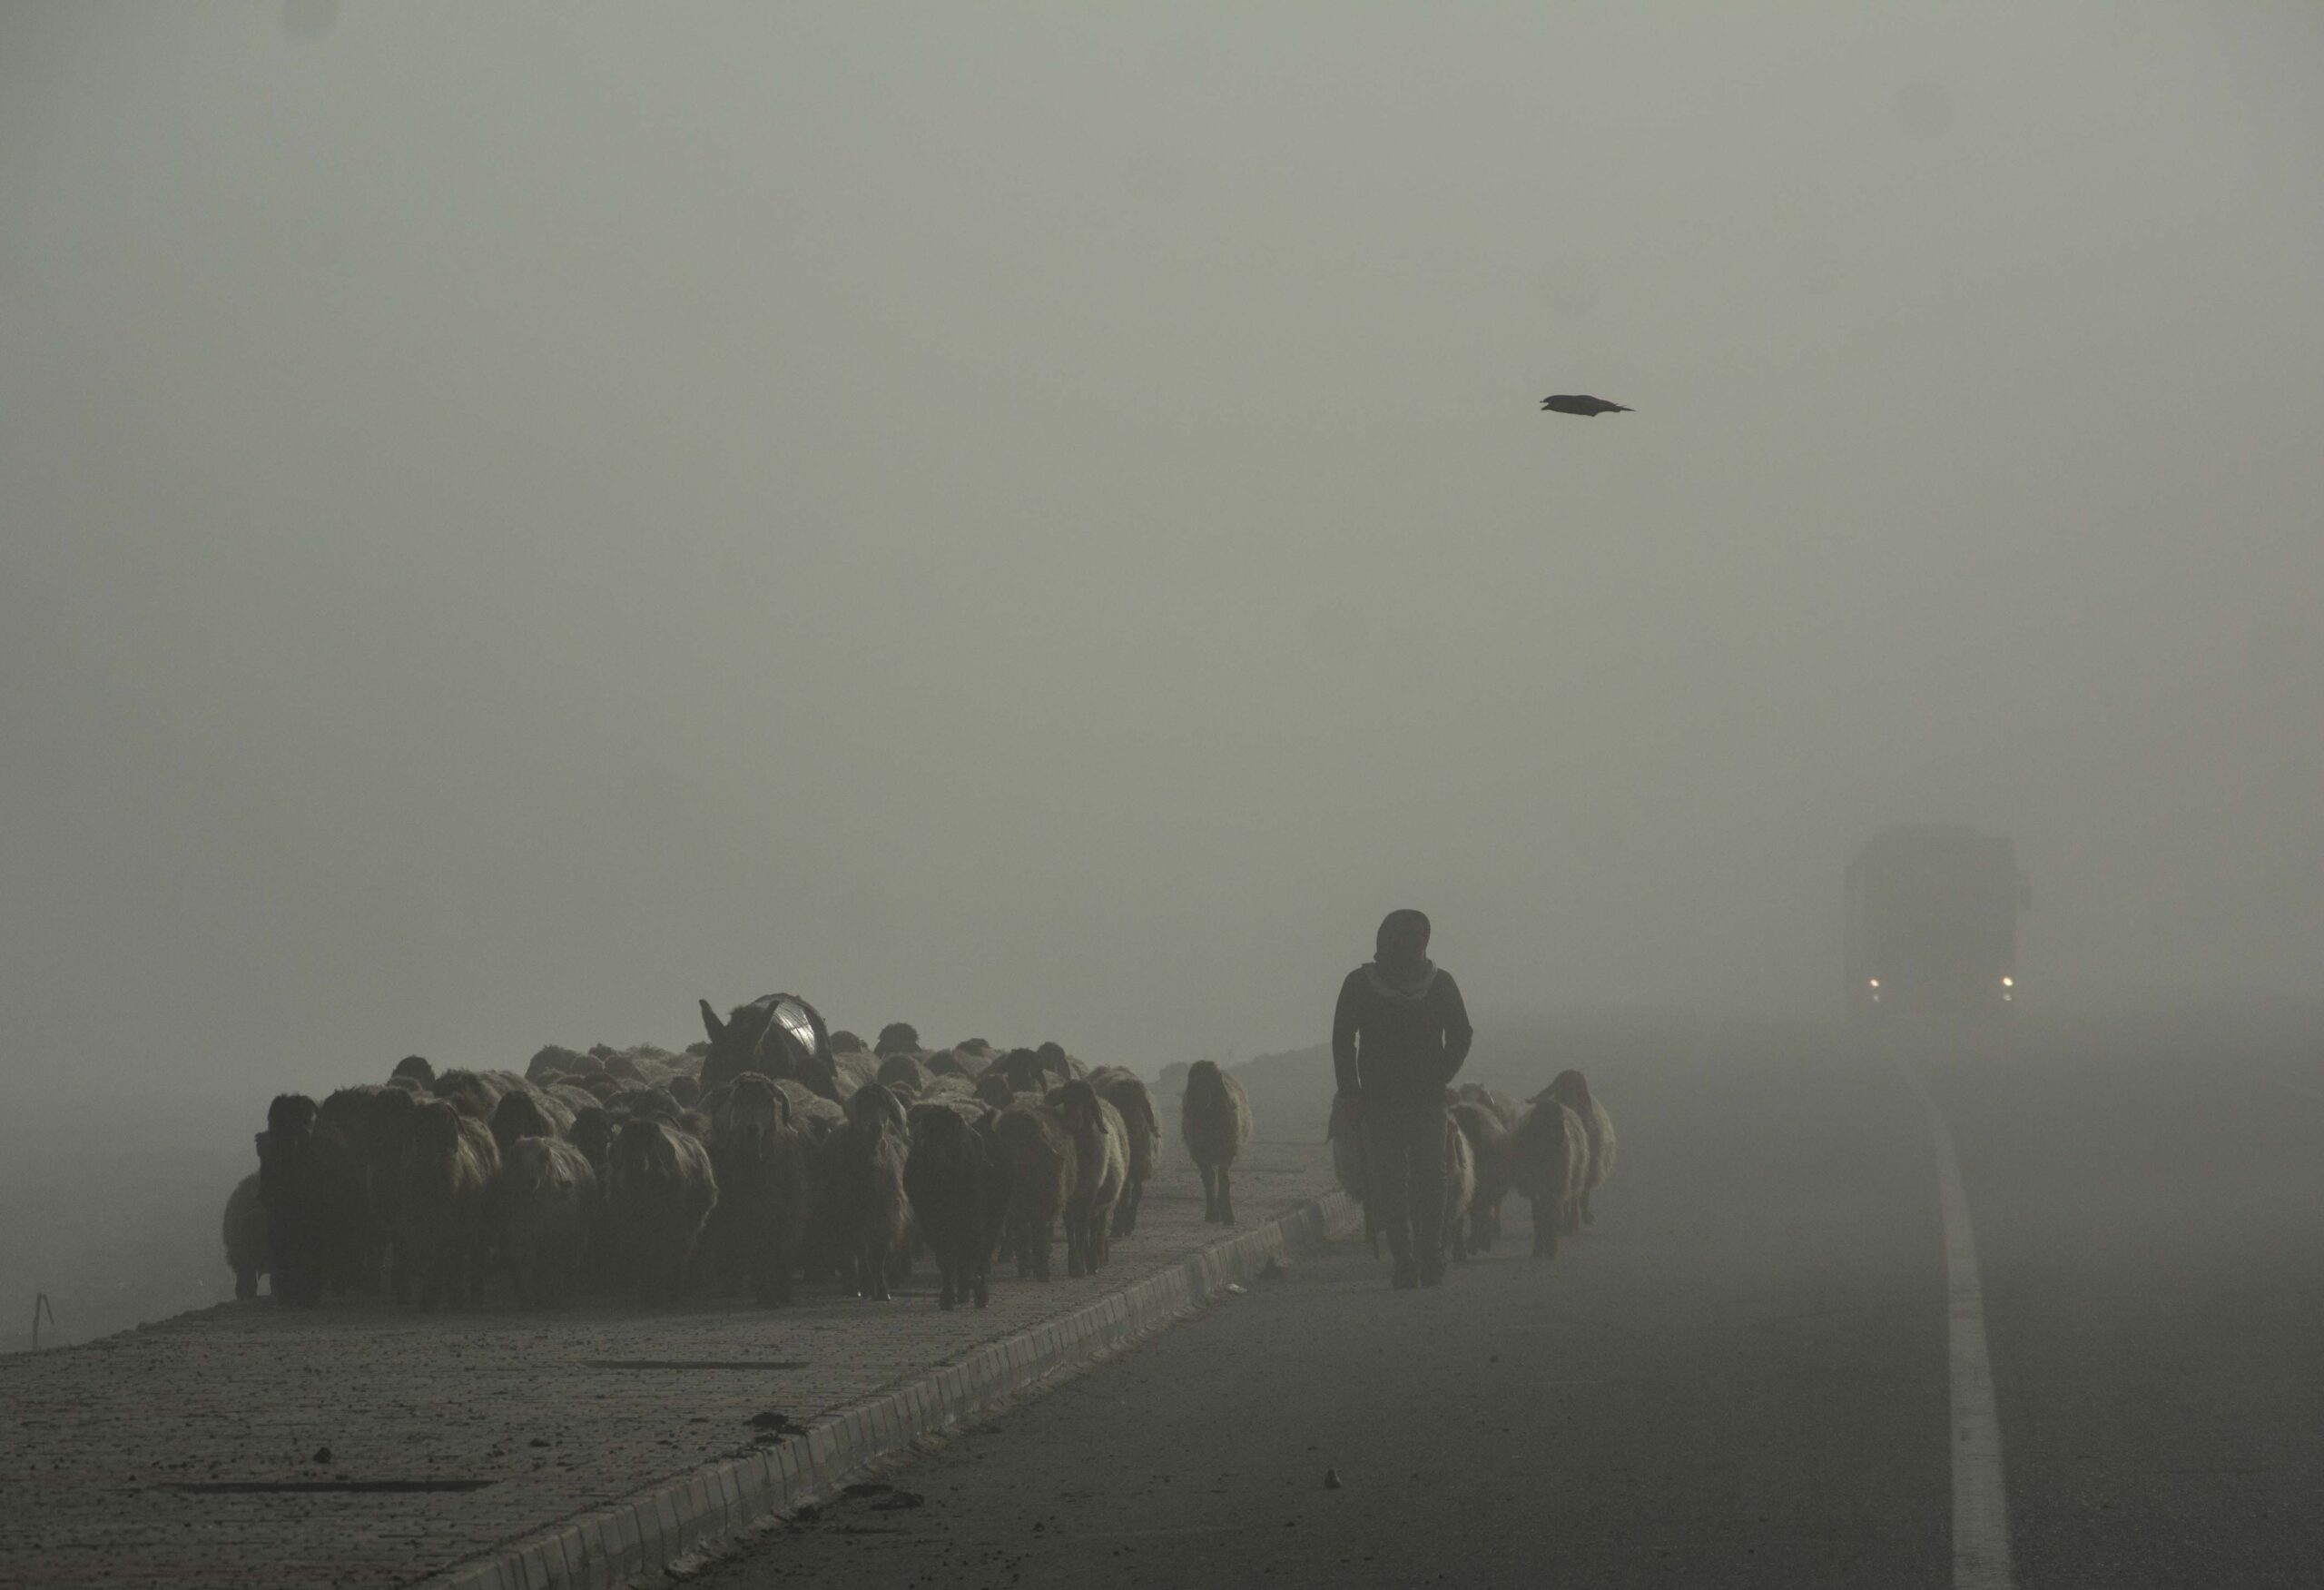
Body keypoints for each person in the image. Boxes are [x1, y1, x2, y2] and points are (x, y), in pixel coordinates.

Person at [1331, 909, 1473, 1289]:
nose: (1414, 943)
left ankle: (1432, 1254)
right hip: (1379, 1101)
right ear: (1387, 940)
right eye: (1406, 936)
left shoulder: (1440, 983)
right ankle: (1404, 1259)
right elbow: (1342, 1040)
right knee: (1388, 1182)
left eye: (1420, 936)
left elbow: (1461, 1033)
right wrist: (1350, 1093)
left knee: (1433, 1178)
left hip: (1427, 1101)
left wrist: (1438, 1075)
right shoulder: (1360, 983)